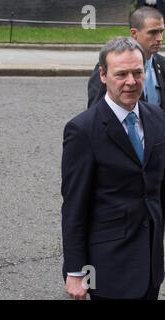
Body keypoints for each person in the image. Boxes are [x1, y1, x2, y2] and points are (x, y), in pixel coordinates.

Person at [62, 36, 165, 300]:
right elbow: (74, 205)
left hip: (151, 264)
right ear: (103, 75)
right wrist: (75, 271)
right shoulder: (82, 130)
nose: (131, 81)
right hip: (108, 267)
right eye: (121, 74)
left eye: (137, 72)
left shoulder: (157, 118)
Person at [87, 6, 165, 109]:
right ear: (134, 33)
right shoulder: (111, 65)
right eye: (153, 32)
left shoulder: (162, 63)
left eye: (161, 31)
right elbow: (96, 113)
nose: (160, 38)